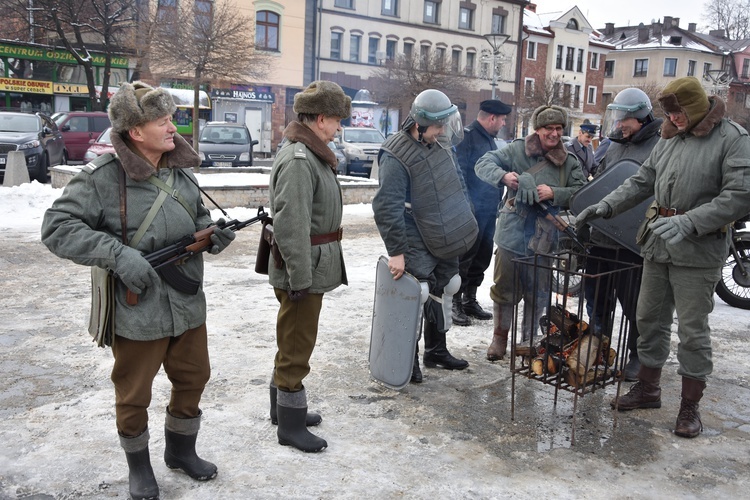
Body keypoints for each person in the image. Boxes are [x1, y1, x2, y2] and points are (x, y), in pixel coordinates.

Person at [41, 81, 234, 499]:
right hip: (137, 307)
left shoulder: (180, 173)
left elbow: (198, 217)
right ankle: (139, 467)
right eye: (162, 121)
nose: (172, 126)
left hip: (185, 303)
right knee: (134, 394)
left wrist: (212, 235)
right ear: (135, 131)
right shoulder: (102, 179)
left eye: (171, 118)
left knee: (194, 377)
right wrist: (116, 254)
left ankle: (181, 452)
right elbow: (56, 228)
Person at [575, 76, 750, 438]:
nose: (675, 119)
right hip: (656, 243)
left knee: (692, 330)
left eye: (680, 112)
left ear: (699, 105)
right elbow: (643, 180)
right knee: (649, 319)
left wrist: (690, 222)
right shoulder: (669, 138)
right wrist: (605, 206)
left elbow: (740, 195)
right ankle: (648, 388)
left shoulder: (731, 138)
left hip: (698, 250)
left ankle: (689, 407)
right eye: (669, 113)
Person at [373, 89, 477, 384]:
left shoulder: (441, 144)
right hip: (413, 231)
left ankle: (436, 350)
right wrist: (396, 251)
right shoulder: (395, 154)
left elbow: (457, 184)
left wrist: (464, 217)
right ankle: (409, 359)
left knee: (447, 287)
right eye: (438, 125)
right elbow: (386, 206)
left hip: (445, 229)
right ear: (419, 124)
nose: (443, 130)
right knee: (417, 294)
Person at [267, 80, 350, 453]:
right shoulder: (301, 160)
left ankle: (282, 410)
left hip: (308, 266)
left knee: (291, 340)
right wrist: (300, 278)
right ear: (319, 120)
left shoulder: (309, 153)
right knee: (297, 346)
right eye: (335, 120)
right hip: (304, 270)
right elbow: (292, 224)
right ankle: (290, 426)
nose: (338, 128)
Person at [475, 105, 586, 361]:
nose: (554, 133)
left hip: (546, 239)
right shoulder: (516, 150)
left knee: (538, 294)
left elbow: (582, 193)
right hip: (512, 235)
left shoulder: (568, 162)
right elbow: (484, 163)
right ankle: (499, 339)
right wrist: (504, 177)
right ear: (538, 129)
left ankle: (528, 343)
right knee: (504, 289)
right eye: (549, 128)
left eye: (559, 128)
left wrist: (555, 193)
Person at [582, 88, 663, 381]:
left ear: (641, 117)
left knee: (634, 304)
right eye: (616, 119)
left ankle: (638, 356)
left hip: (633, 241)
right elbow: (601, 181)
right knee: (597, 299)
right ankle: (598, 350)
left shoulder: (660, 145)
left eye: (624, 119)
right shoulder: (614, 145)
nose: (618, 125)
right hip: (602, 236)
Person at [452, 99, 513, 327]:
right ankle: (454, 301)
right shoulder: (467, 136)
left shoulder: (489, 139)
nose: (503, 123)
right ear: (492, 118)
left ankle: (470, 299)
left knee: (483, 255)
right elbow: (460, 172)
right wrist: (467, 205)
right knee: (465, 257)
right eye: (502, 120)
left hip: (489, 209)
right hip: (471, 209)